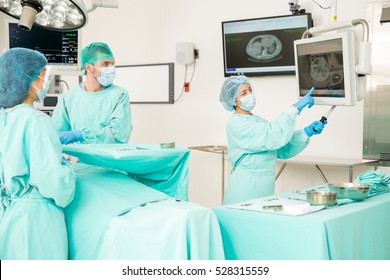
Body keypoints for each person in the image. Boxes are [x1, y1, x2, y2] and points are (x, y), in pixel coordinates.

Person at [0, 48, 76, 259]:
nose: (44, 83)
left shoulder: (4, 119)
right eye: (42, 76)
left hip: (9, 221)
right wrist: (67, 169)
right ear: (27, 80)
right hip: (37, 224)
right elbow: (57, 187)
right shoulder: (36, 121)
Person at [219, 75, 327, 205]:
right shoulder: (236, 124)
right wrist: (295, 109)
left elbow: (280, 148)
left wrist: (306, 132)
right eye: (244, 93)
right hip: (246, 187)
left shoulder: (257, 120)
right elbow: (272, 136)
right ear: (234, 101)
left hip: (264, 187)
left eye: (250, 90)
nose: (250, 95)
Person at [52, 42, 132, 144]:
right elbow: (57, 135)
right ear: (89, 68)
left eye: (113, 64)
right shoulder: (68, 98)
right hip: (78, 159)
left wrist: (81, 135)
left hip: (108, 159)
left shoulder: (119, 95)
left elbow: (119, 134)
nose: (111, 69)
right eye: (106, 64)